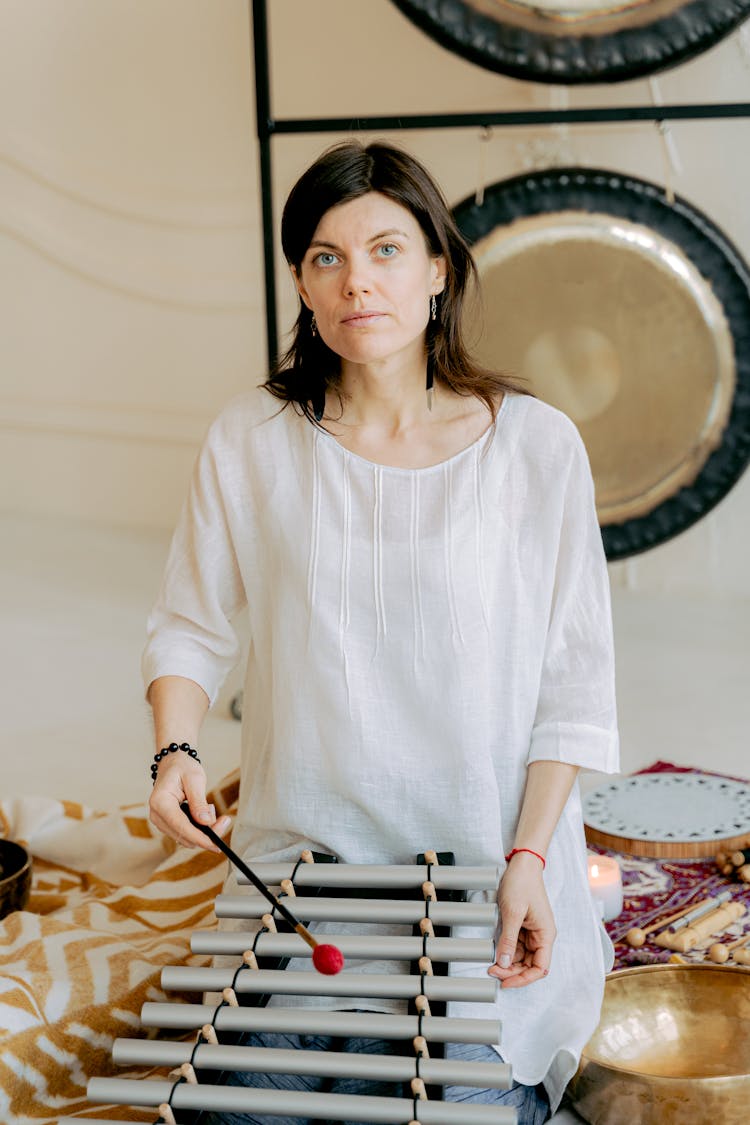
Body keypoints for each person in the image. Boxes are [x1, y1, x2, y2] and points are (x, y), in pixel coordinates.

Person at [145, 140, 619, 1124]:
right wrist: (176, 752)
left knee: (448, 1112)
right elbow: (187, 628)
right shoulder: (252, 439)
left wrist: (532, 864)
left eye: (387, 250)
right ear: (301, 284)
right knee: (230, 1115)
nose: (357, 280)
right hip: (308, 874)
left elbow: (575, 685)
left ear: (440, 269)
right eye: (325, 256)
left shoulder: (534, 446)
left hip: (489, 875)